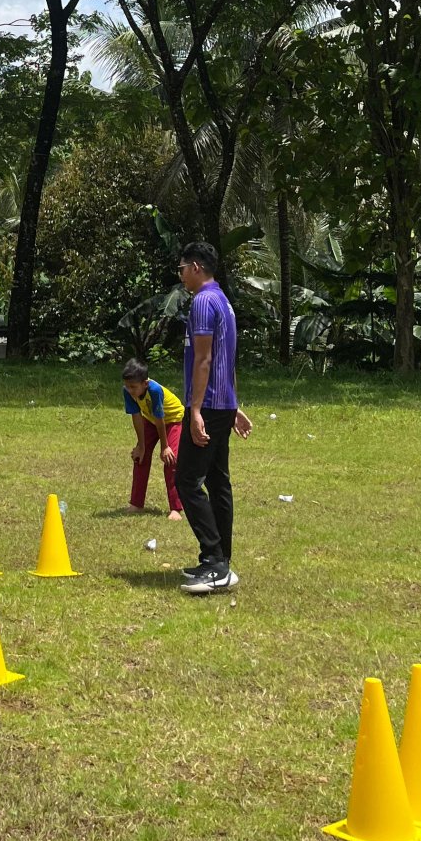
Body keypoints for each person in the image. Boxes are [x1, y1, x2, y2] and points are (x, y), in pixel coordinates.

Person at [173, 242, 252, 596]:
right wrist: (232, 405)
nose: (181, 276)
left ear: (195, 267)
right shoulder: (224, 301)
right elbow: (227, 358)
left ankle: (215, 561)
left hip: (208, 405)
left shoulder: (203, 302)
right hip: (221, 403)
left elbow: (205, 360)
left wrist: (194, 411)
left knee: (187, 480)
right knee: (218, 481)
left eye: (181, 269)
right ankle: (221, 560)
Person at [120, 358, 185, 520]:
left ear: (145, 383)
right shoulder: (128, 391)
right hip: (151, 420)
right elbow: (136, 416)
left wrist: (165, 447)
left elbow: (160, 418)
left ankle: (176, 508)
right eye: (127, 386)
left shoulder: (154, 390)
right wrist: (141, 446)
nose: (130, 390)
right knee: (139, 457)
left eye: (133, 387)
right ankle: (136, 504)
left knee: (171, 459)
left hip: (173, 420)